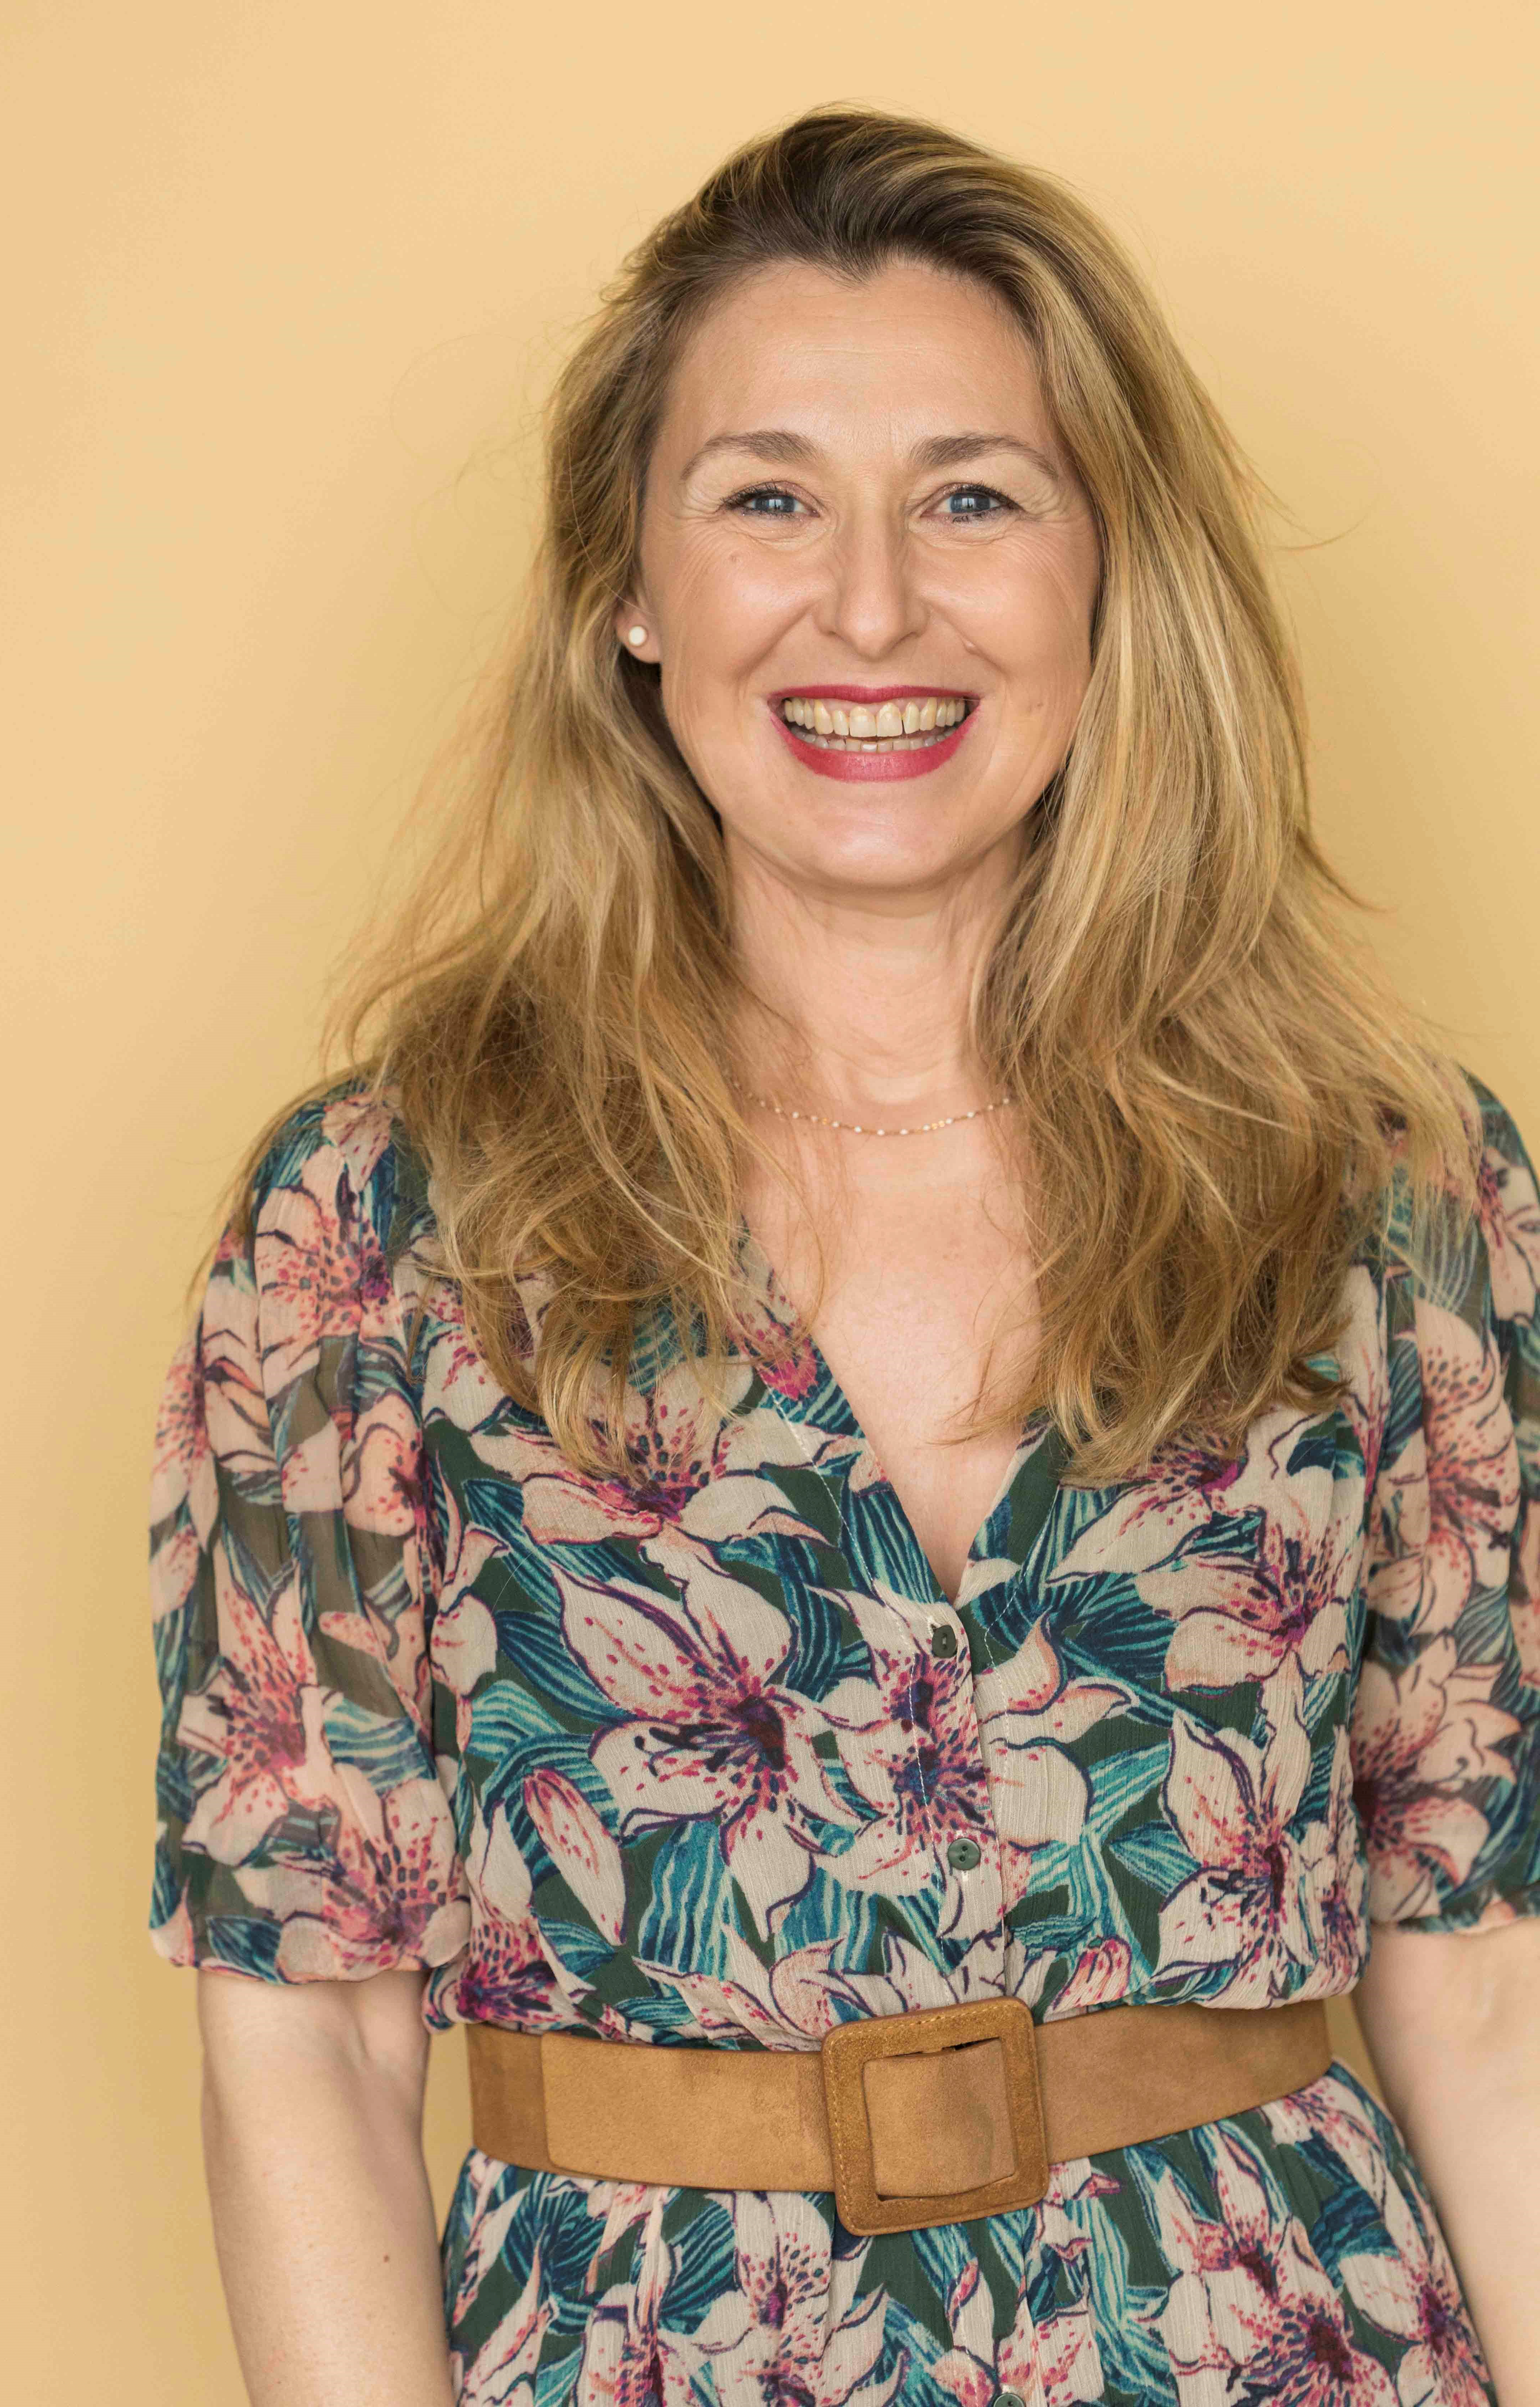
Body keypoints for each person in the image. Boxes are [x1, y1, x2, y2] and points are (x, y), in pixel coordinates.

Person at [144, 106, 1540, 2407]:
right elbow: (308, 2039)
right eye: (767, 500)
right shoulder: (379, 1227)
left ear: (1110, 574)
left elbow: (1479, 1987)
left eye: (974, 499)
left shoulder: (1388, 1189)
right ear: (628, 588)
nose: (872, 609)